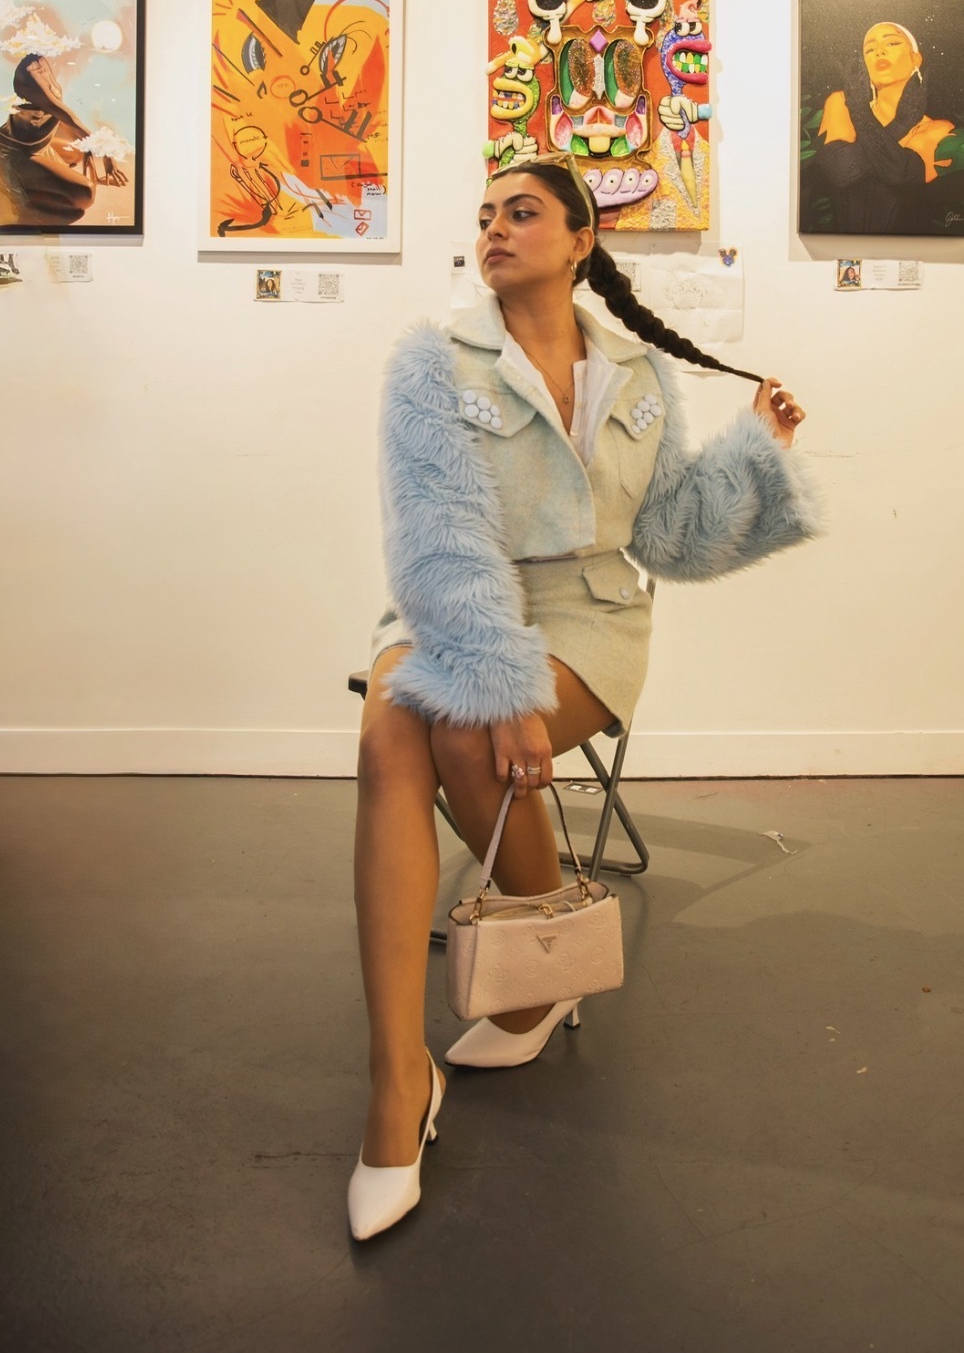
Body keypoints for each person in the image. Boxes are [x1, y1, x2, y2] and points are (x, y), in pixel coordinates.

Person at [347, 152, 821, 1240]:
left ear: (579, 239)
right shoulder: (432, 358)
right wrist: (498, 673)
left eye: (522, 212)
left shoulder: (638, 374)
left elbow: (671, 534)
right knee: (393, 738)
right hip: (455, 599)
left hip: (592, 616)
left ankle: (534, 976)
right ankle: (398, 1077)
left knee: (457, 733)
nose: (494, 228)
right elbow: (438, 533)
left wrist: (765, 450)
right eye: (485, 213)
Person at [815, 20, 954, 232]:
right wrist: (900, 124)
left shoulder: (937, 129)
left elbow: (899, 173)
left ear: (915, 59)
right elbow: (840, 170)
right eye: (869, 49)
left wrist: (863, 115)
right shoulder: (842, 103)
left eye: (892, 43)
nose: (879, 52)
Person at [0, 54, 127, 229]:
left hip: (38, 148)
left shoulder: (40, 61)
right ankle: (29, 205)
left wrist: (87, 146)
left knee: (76, 153)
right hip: (11, 152)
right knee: (87, 193)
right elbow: (65, 115)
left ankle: (45, 184)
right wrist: (105, 151)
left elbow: (60, 116)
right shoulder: (28, 73)